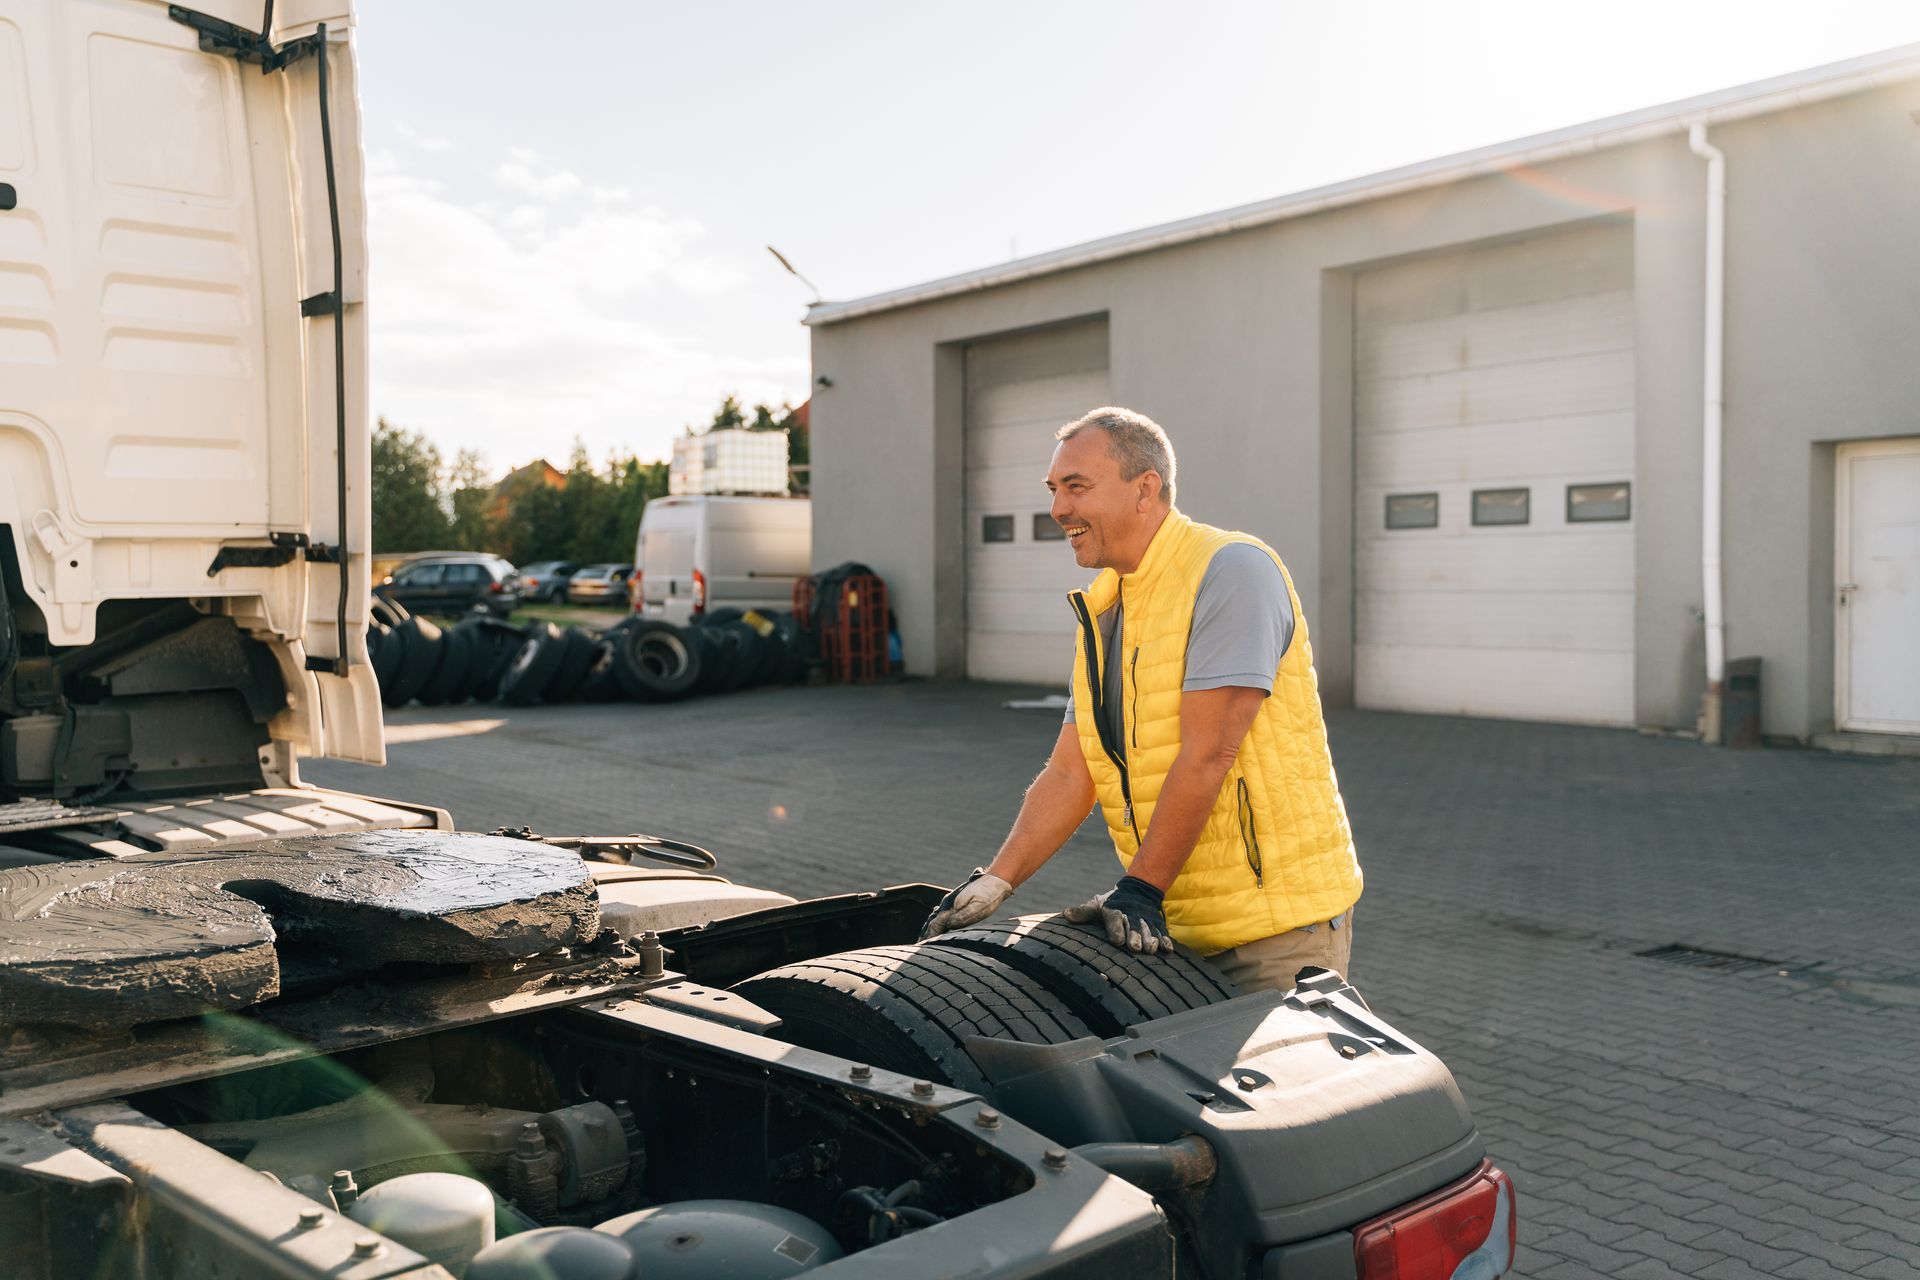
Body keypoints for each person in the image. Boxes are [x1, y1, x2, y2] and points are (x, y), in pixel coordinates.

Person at [920, 407, 1362, 993]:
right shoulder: (1105, 605)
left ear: (1145, 489)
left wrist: (1140, 888)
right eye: (1055, 490)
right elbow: (1070, 772)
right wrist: (996, 881)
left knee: (1252, 1088)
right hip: (1171, 925)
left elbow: (1208, 753)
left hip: (1273, 932)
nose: (1058, 510)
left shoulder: (1231, 571)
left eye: (1077, 487)